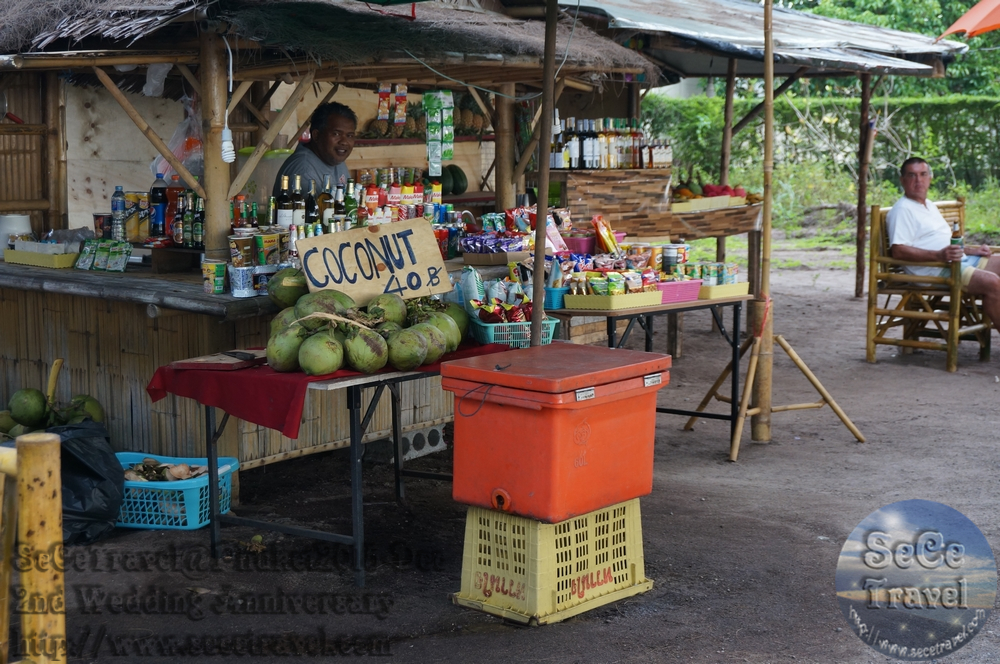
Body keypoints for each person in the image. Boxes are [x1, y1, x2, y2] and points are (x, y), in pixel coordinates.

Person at [887, 156, 1000, 323]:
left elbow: (944, 240)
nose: (918, 180)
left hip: (956, 261)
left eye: (923, 174)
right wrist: (938, 256)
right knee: (992, 283)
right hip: (934, 269)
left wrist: (970, 250)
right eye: (912, 175)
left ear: (930, 178)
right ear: (902, 180)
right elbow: (898, 250)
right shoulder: (902, 210)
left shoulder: (929, 205)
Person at [272, 102, 357, 197]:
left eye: (349, 136)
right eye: (336, 134)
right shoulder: (304, 170)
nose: (344, 142)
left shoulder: (334, 158)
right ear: (316, 135)